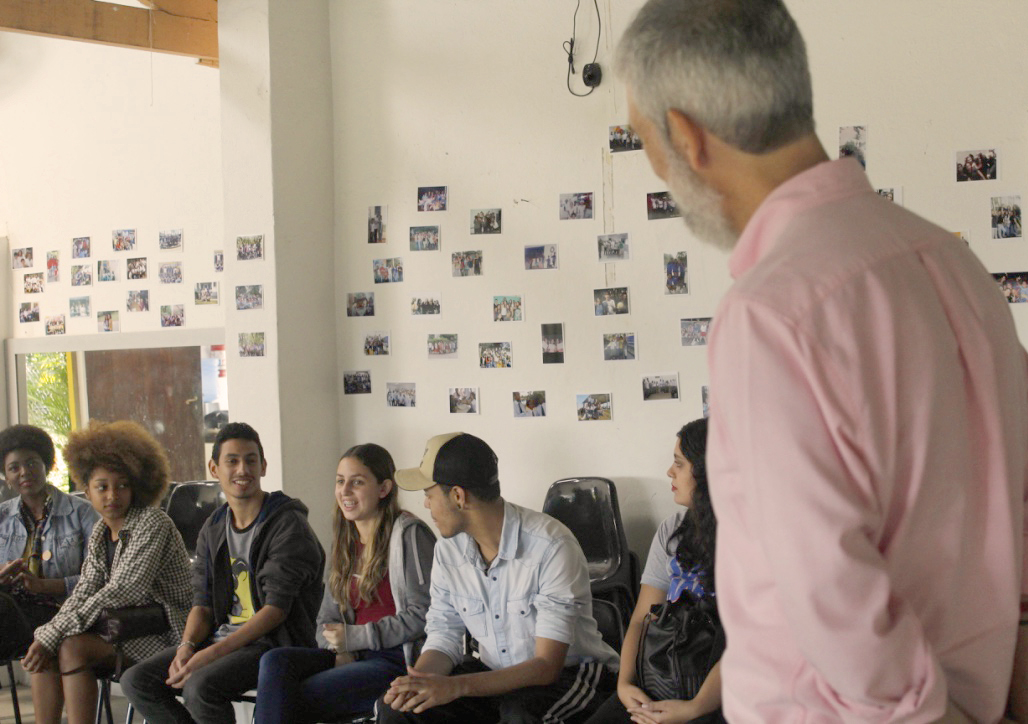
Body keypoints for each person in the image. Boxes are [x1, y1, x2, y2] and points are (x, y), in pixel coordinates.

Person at [617, 2, 1028, 722]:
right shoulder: (954, 263)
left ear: (685, 135)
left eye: (642, 140)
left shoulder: (773, 310)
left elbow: (830, 595)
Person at [379, 432, 619, 723]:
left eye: (429, 495)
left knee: (519, 715)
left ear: (458, 496)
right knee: (400, 711)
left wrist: (455, 686)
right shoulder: (448, 550)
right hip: (493, 675)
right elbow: (445, 633)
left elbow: (546, 666)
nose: (426, 505)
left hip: (571, 676)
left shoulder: (551, 546)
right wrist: (417, 684)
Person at [120, 422, 326, 724]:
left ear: (263, 466)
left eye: (251, 460)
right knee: (137, 681)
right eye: (232, 461)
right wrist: (187, 646)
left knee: (200, 686)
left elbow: (275, 610)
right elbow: (202, 603)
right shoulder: (214, 526)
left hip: (273, 644)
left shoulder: (287, 524)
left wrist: (210, 655)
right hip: (223, 639)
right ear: (214, 468)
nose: (243, 469)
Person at [22, 420, 191, 724]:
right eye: (102, 487)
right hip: (122, 627)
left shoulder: (152, 522)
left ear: (136, 486)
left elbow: (125, 589)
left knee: (70, 647)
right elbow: (85, 589)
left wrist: (55, 632)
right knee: (48, 646)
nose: (112, 495)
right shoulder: (101, 531)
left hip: (166, 630)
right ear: (86, 491)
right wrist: (49, 633)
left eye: (122, 485)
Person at [254, 443, 435, 723]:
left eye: (357, 482)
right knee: (274, 661)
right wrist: (338, 649)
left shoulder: (409, 535)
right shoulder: (345, 540)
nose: (345, 491)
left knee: (291, 698)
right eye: (340, 481)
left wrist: (355, 638)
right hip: (352, 654)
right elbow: (325, 618)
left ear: (384, 488)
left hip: (396, 659)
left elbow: (424, 615)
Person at [585, 418, 721, 724]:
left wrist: (696, 707)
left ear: (708, 471)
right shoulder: (672, 530)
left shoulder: (750, 536)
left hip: (718, 688)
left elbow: (745, 644)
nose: (670, 472)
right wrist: (625, 685)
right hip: (663, 676)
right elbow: (642, 619)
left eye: (679, 464)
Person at [0, 425, 99, 664]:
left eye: (32, 463)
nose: (24, 472)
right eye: (14, 468)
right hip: (11, 613)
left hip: (62, 611)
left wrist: (43, 586)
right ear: (6, 477)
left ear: (47, 465)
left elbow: (99, 578)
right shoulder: (2, 516)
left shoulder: (83, 513)